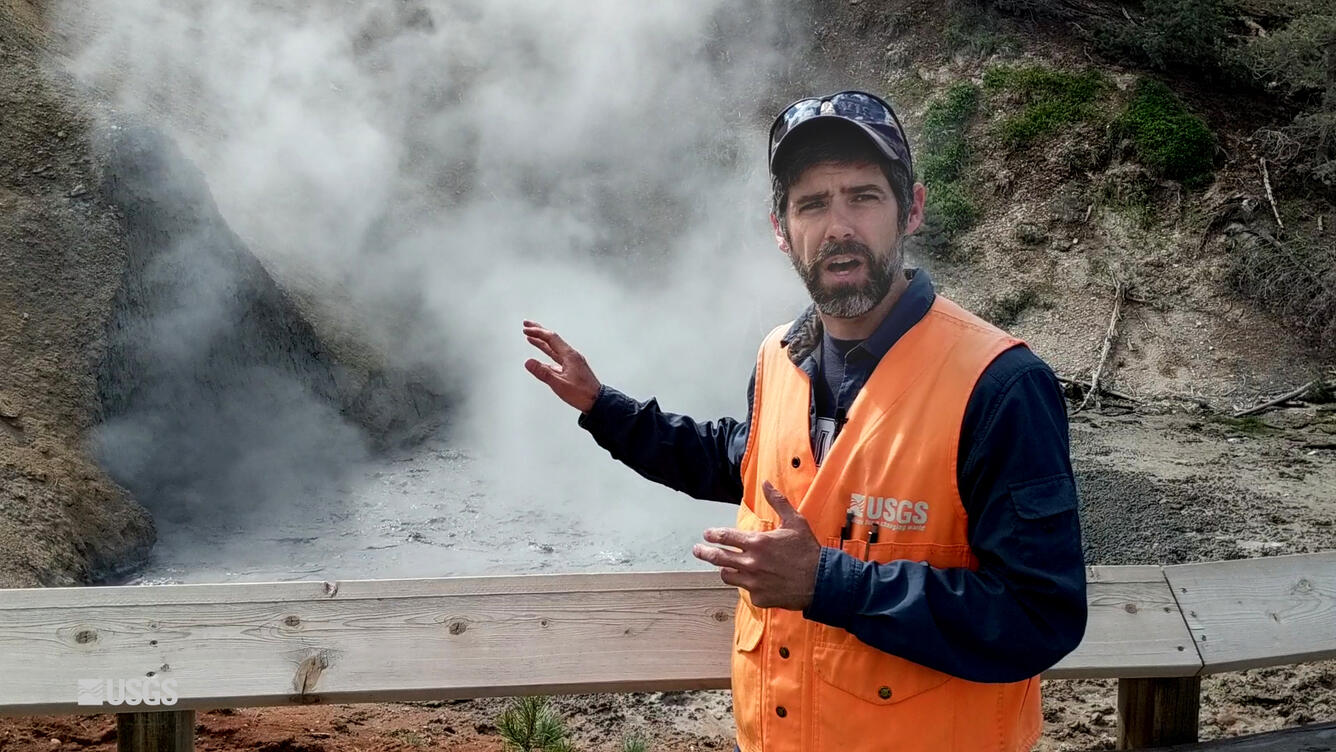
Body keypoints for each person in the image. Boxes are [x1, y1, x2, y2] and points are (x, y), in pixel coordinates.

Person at [521, 90, 1086, 752]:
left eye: (862, 196)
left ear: (913, 209)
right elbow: (741, 458)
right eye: (812, 204)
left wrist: (825, 582)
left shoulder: (1000, 386)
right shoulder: (780, 358)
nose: (838, 225)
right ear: (781, 230)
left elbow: (1039, 615)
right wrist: (603, 408)